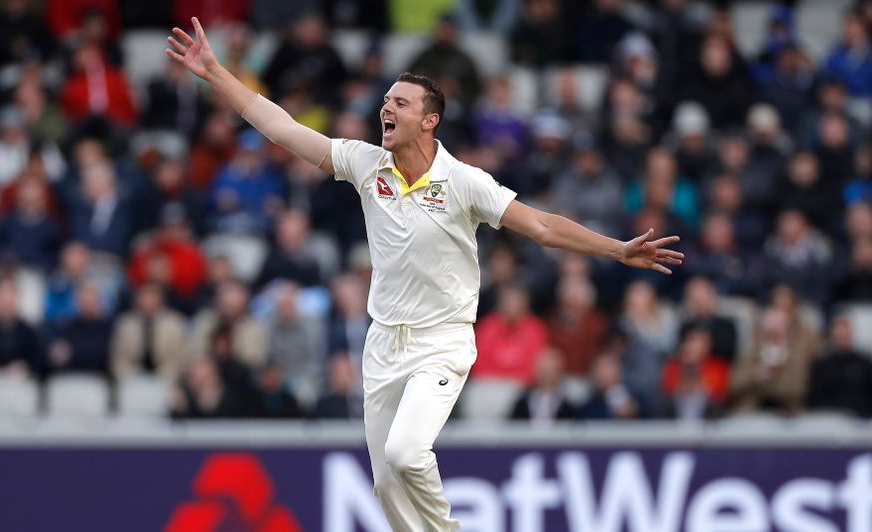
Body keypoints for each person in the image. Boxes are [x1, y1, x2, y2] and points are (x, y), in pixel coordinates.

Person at [166, 18, 683, 530]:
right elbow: (282, 128)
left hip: (441, 341)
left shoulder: (463, 181)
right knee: (386, 482)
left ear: (429, 120)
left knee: (406, 453)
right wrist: (216, 73)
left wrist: (618, 250)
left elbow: (543, 226)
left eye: (400, 103)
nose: (385, 109)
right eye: (385, 101)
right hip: (382, 343)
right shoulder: (367, 165)